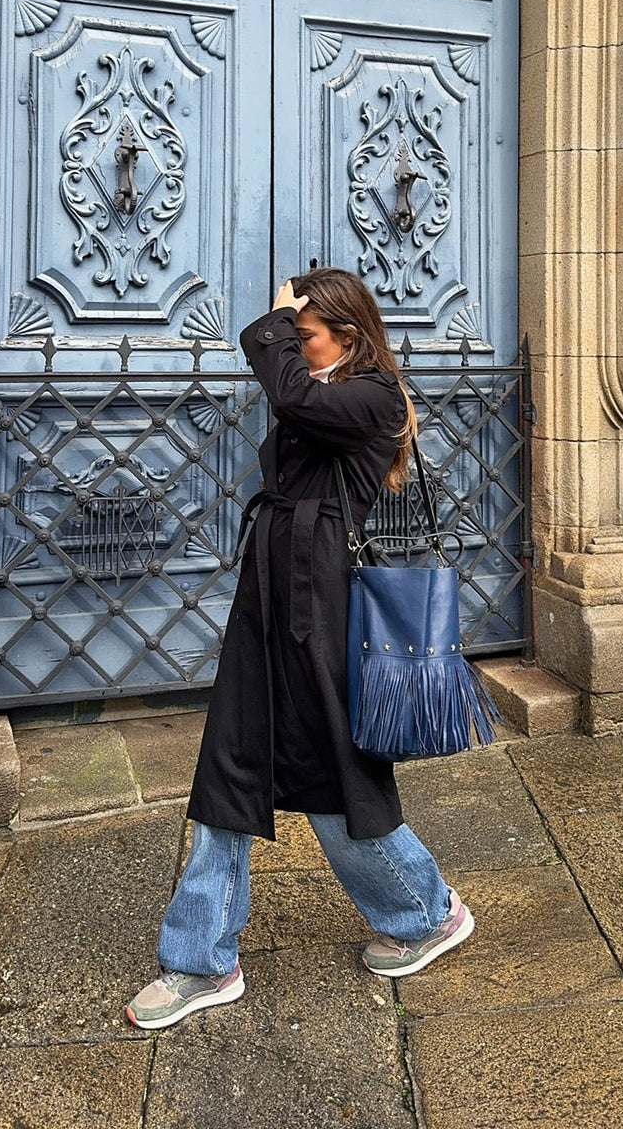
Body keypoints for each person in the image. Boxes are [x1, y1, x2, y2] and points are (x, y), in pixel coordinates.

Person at [126, 267, 473, 1030]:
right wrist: (288, 332)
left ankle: (425, 912)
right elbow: (295, 404)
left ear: (347, 337)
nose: (295, 343)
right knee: (231, 760)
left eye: (307, 333)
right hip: (273, 597)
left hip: (324, 608)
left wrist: (273, 327)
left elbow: (292, 398)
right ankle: (201, 959)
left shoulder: (374, 396)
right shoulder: (324, 389)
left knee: (331, 774)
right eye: (296, 334)